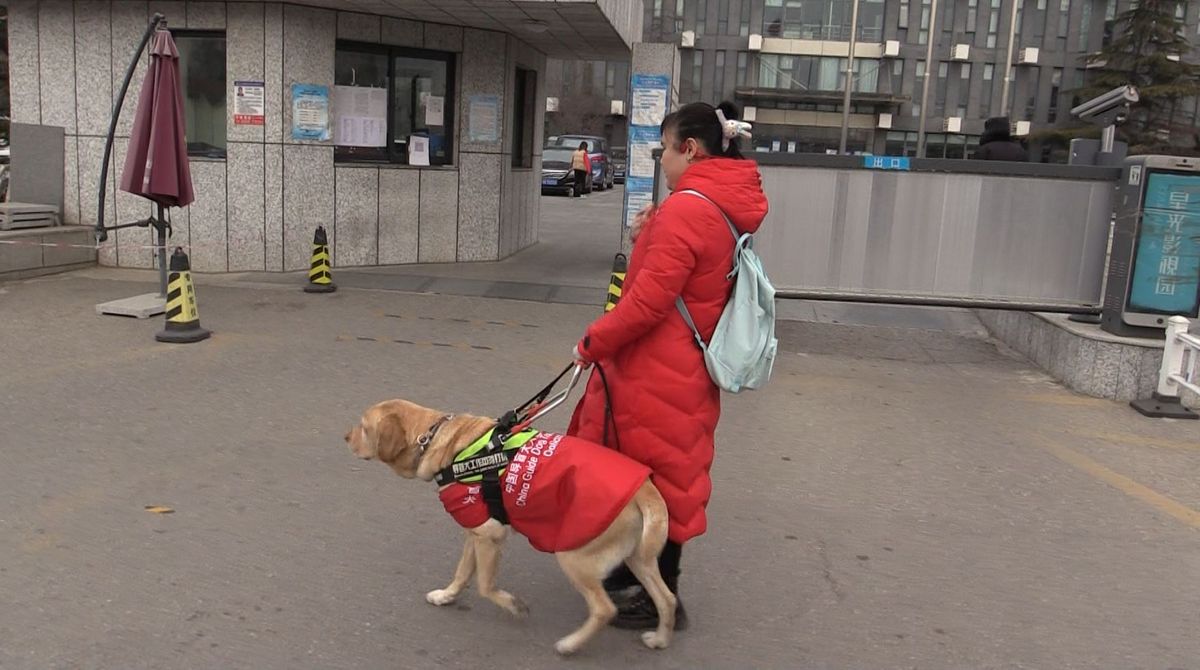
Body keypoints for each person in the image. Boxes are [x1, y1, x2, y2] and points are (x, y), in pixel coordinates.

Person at [568, 101, 768, 630]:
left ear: (690, 149)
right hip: (684, 367)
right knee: (668, 476)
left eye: (664, 149)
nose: (660, 160)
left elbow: (647, 304)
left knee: (651, 479)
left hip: (656, 371)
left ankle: (655, 595)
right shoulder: (713, 205)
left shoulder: (688, 208)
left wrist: (592, 342)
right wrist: (648, 235)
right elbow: (686, 274)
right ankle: (633, 580)